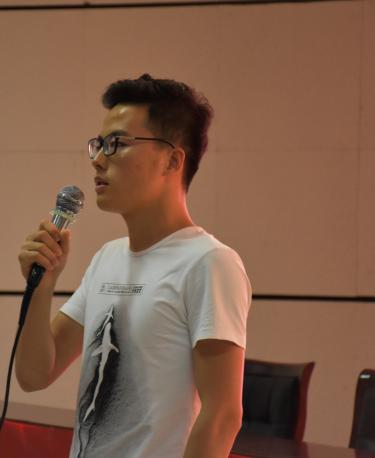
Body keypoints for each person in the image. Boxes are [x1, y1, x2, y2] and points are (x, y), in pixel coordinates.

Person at [16, 74, 252, 458]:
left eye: (118, 144)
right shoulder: (107, 259)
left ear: (172, 160)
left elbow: (223, 414)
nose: (98, 159)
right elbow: (33, 374)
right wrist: (42, 287)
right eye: (99, 144)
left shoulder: (208, 263)